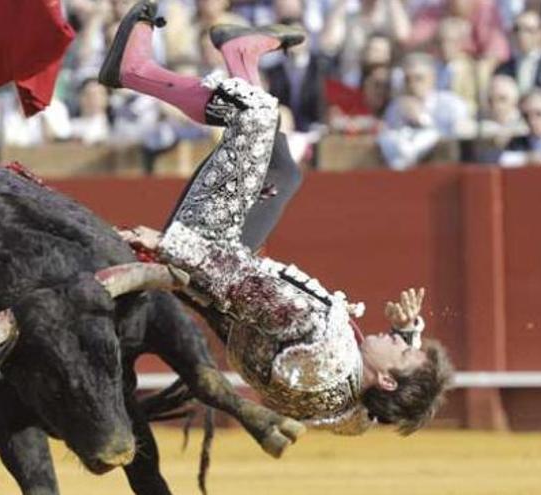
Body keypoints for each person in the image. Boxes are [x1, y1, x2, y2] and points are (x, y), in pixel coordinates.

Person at [102, 1, 453, 440]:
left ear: (385, 379)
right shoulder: (349, 410)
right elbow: (380, 411)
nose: (397, 339)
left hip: (208, 247)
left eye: (401, 350)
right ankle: (240, 55)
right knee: (284, 171)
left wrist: (168, 245)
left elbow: (237, 282)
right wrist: (408, 334)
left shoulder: (315, 333)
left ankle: (135, 70)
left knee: (258, 116)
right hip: (222, 284)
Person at [499, 88, 541, 167]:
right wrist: (528, 158)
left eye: (539, 114)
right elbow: (503, 160)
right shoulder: (517, 143)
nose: (532, 120)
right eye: (526, 116)